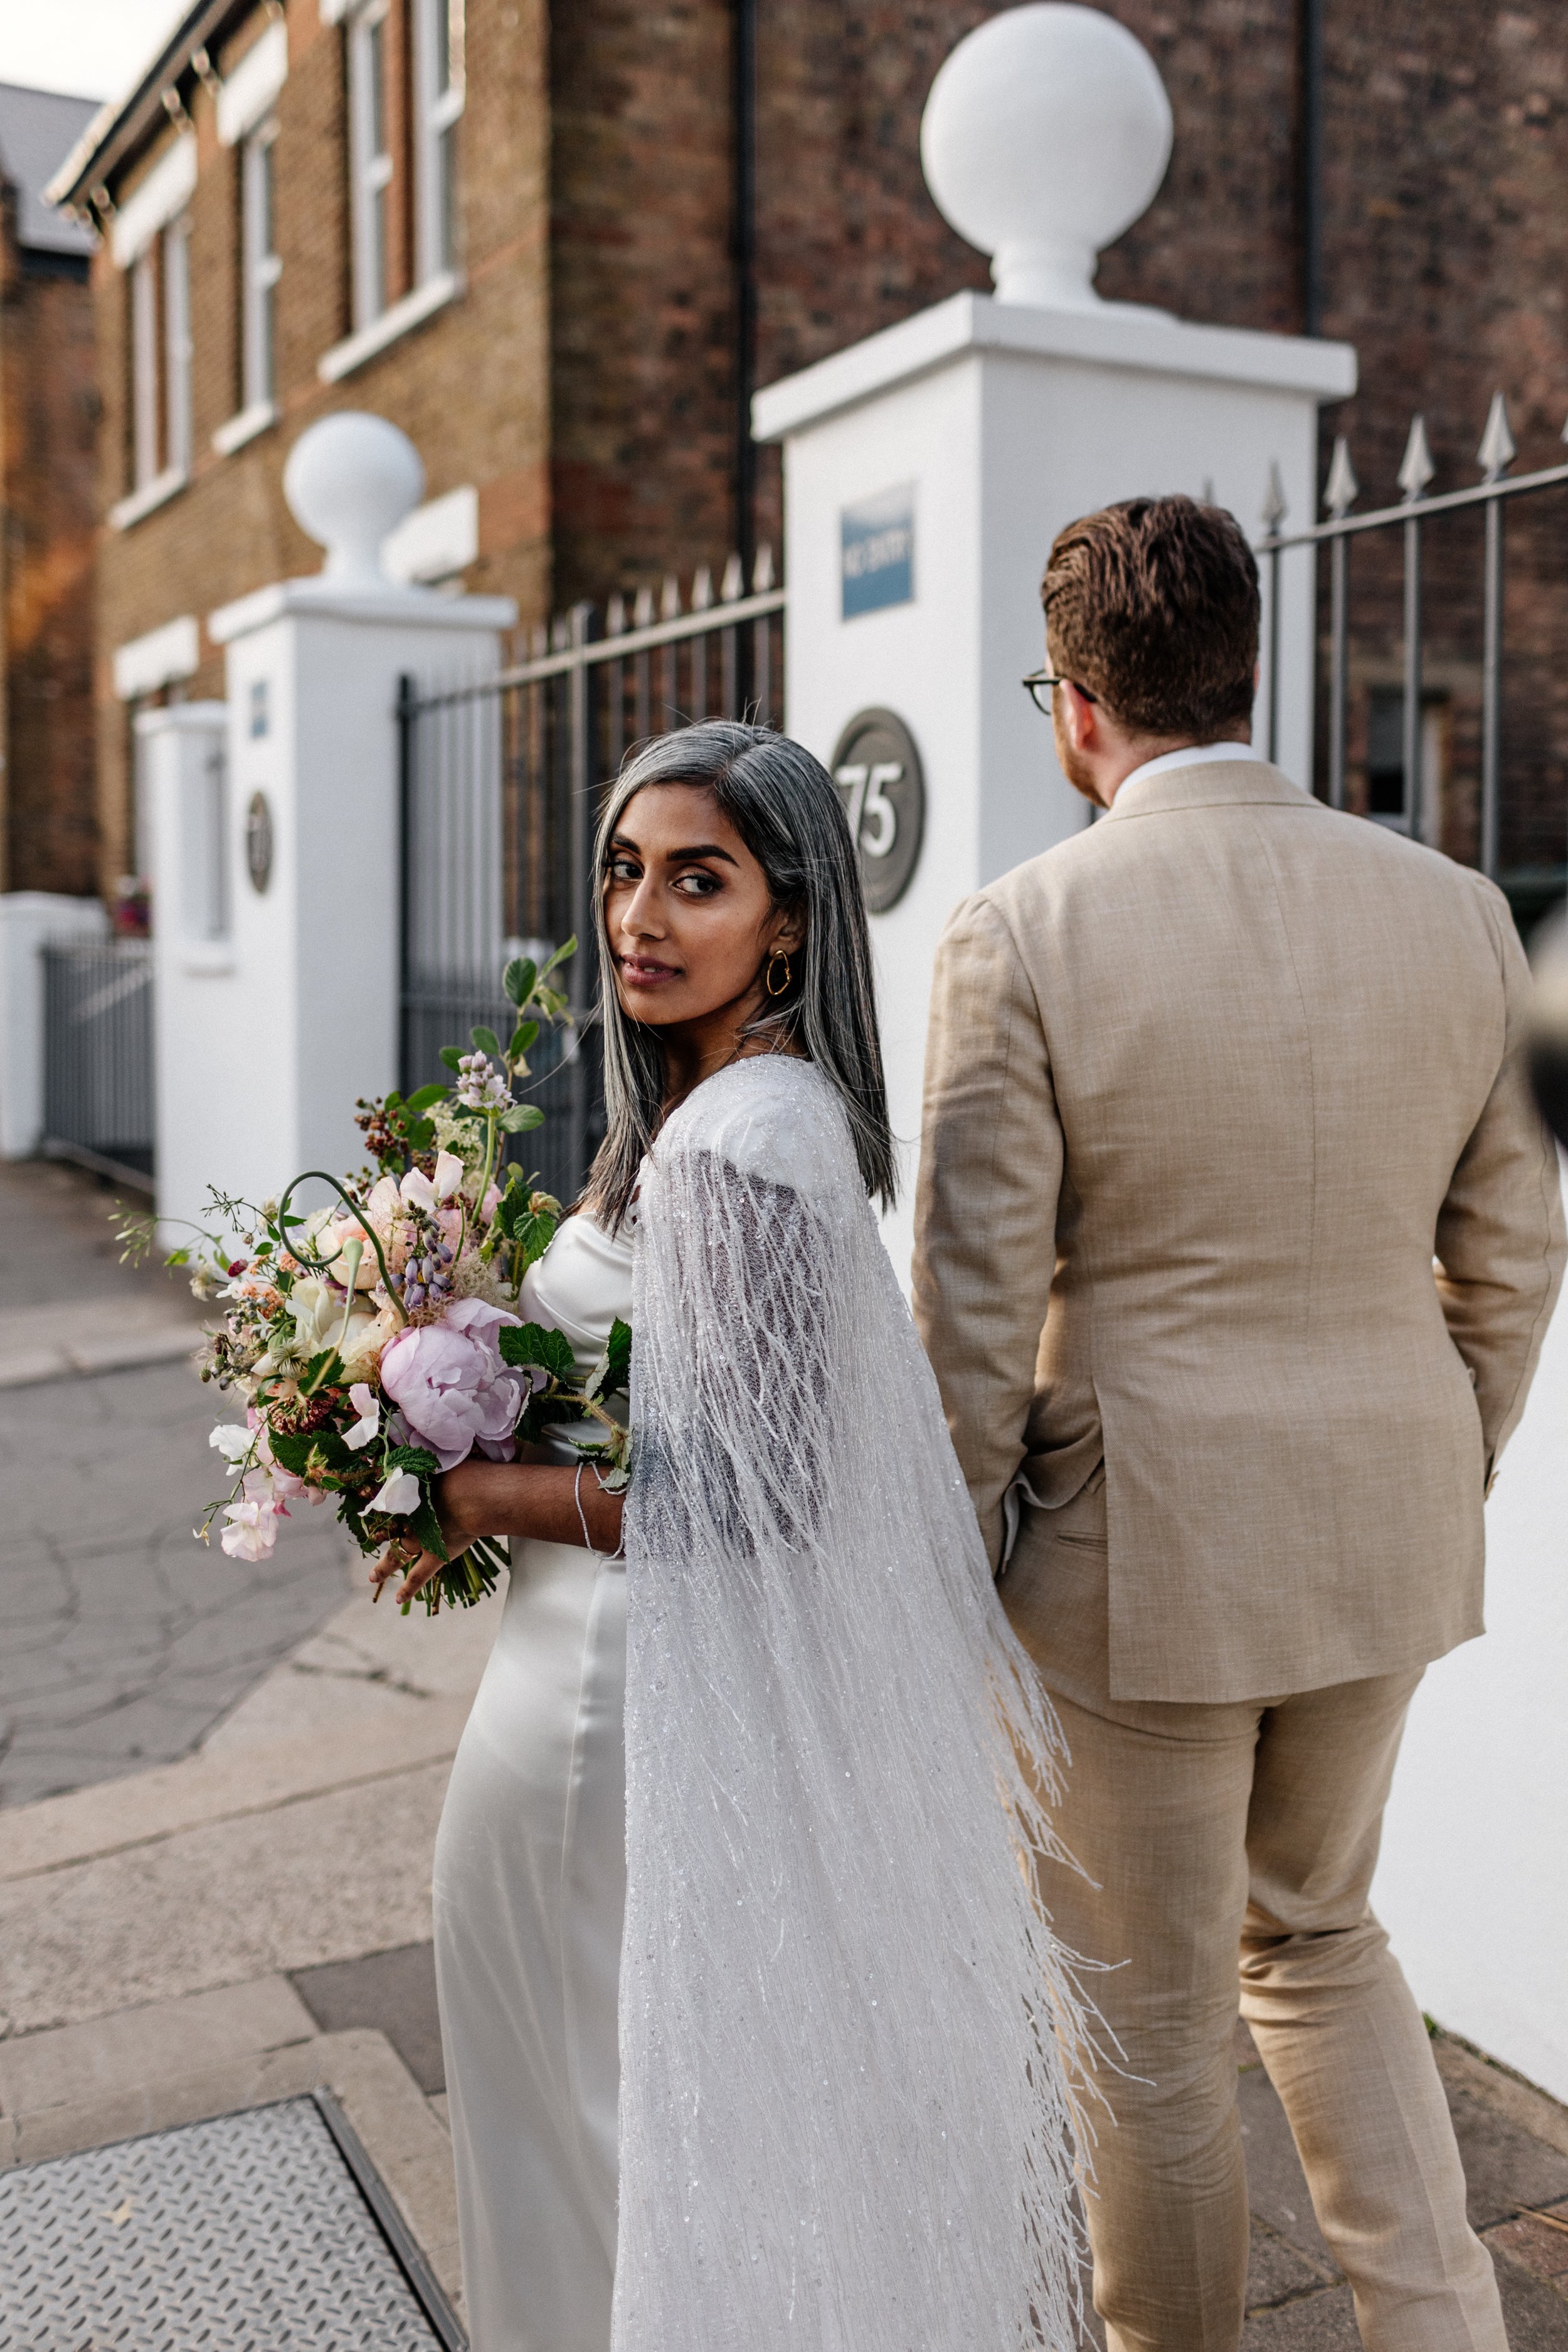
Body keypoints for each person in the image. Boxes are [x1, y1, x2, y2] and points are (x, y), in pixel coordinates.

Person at [913, 492, 1567, 2352]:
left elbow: (969, 1309)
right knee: (1319, 1935)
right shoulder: (1455, 916)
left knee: (1146, 2020)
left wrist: (956, 1566)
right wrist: (1436, 1455)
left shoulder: (1022, 930)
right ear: (1241, 672)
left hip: (1132, 1560)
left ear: (1073, 702)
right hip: (1380, 1521)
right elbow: (1511, 1262)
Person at [377, 721, 1093, 2352]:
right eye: (624, 872)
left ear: (788, 917)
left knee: (616, 2135)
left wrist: (471, 1493)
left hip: (611, 1718)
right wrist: (450, 1397)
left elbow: (750, 1498)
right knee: (584, 2120)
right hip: (587, 1684)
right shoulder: (705, 1120)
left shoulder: (742, 1140)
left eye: (697, 879)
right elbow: (664, 1414)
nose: (641, 912)